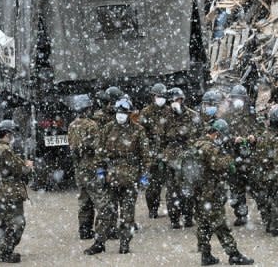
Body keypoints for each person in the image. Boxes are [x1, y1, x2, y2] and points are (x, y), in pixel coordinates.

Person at [85, 98, 150, 255]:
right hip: (111, 177)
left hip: (130, 177)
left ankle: (125, 243)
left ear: (129, 114)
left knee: (127, 214)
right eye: (118, 112)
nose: (120, 115)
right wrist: (100, 170)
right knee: (106, 211)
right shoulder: (107, 128)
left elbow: (146, 155)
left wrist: (144, 175)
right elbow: (99, 151)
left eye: (124, 113)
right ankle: (99, 242)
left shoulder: (138, 130)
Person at [194, 119, 254, 266]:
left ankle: (205, 255)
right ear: (216, 134)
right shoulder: (210, 148)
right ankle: (233, 254)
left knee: (203, 224)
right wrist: (231, 159)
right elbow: (219, 164)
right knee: (220, 224)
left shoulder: (198, 144)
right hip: (210, 192)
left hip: (199, 192)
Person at [0, 120, 33, 263]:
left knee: (5, 222)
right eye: (12, 134)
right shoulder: (6, 150)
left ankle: (3, 249)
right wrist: (28, 166)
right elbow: (20, 169)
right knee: (18, 223)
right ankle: (6, 251)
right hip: (10, 192)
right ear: (7, 134)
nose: (13, 138)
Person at [163, 87, 200, 229]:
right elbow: (160, 137)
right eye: (174, 99)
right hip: (171, 157)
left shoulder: (192, 115)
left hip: (188, 157)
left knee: (189, 188)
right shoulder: (165, 117)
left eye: (179, 99)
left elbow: (198, 135)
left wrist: (192, 150)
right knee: (172, 190)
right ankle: (174, 218)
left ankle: (188, 216)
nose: (177, 102)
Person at [92, 86, 124, 239]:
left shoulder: (114, 117)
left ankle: (111, 229)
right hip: (104, 162)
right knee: (105, 201)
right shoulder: (100, 119)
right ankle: (103, 231)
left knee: (113, 198)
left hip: (112, 163)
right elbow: (99, 144)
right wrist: (100, 167)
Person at [224, 84, 258, 226]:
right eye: (236, 98)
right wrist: (233, 140)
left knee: (257, 187)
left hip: (250, 158)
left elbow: (260, 131)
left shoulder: (251, 115)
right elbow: (221, 137)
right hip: (234, 157)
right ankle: (241, 215)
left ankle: (269, 217)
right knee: (236, 189)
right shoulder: (226, 117)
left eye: (241, 98)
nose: (239, 101)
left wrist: (254, 137)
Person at [67, 95, 99, 240]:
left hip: (79, 167)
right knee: (101, 200)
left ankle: (84, 231)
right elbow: (97, 147)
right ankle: (105, 229)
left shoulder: (72, 125)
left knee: (84, 200)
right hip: (91, 167)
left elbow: (73, 148)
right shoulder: (91, 125)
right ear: (88, 108)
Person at [253, 106, 278, 236]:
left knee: (265, 199)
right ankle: (275, 226)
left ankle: (267, 222)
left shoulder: (263, 136)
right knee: (277, 200)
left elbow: (258, 155)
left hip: (262, 172)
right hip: (273, 173)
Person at [140, 83, 170, 219]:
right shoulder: (146, 112)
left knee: (172, 184)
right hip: (152, 153)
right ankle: (153, 209)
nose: (160, 99)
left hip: (168, 152)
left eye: (162, 97)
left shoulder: (169, 111)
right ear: (153, 97)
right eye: (158, 96)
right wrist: (147, 152)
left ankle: (174, 211)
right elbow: (142, 133)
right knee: (153, 186)